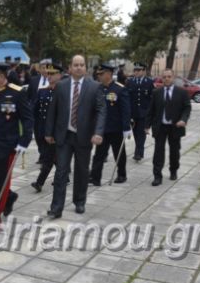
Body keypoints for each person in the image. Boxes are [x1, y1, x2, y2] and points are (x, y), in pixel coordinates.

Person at [44, 55, 105, 218]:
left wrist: (98, 132)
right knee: (61, 172)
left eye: (82, 65)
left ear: (86, 68)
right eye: (76, 65)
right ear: (70, 68)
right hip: (64, 136)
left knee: (82, 171)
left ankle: (79, 201)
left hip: (84, 136)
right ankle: (56, 208)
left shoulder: (95, 87)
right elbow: (53, 110)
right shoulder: (61, 86)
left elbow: (101, 110)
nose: (79, 67)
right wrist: (48, 132)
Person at [0, 61, 33, 229]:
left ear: (1, 76)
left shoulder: (17, 93)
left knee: (0, 182)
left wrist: (24, 142)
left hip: (7, 145)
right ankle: (9, 197)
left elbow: (28, 119)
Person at [145, 69, 191, 186]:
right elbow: (151, 110)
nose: (166, 79)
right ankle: (157, 176)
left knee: (174, 151)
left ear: (173, 77)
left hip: (175, 126)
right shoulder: (157, 92)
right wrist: (147, 126)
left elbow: (187, 108)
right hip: (160, 126)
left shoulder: (182, 92)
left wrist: (183, 119)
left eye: (169, 76)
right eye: (164, 77)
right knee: (158, 151)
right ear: (161, 77)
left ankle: (173, 170)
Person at [89, 64, 132, 185]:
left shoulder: (119, 89)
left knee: (119, 153)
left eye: (101, 74)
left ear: (108, 74)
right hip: (102, 129)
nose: (99, 76)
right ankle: (95, 177)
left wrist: (126, 128)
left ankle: (122, 174)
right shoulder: (99, 88)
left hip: (116, 128)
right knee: (99, 154)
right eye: (98, 74)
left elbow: (126, 110)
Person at [31, 64, 62, 192]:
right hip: (41, 128)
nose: (49, 76)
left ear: (59, 75)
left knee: (48, 157)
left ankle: (39, 182)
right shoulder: (42, 91)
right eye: (47, 74)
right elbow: (35, 110)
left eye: (52, 74)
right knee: (50, 156)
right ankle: (63, 176)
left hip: (56, 130)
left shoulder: (63, 92)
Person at [125, 63, 153, 161]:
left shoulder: (149, 82)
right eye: (135, 70)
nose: (136, 72)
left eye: (139, 70)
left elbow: (151, 98)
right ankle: (139, 150)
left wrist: (150, 112)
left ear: (144, 71)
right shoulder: (130, 82)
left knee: (141, 133)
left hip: (144, 113)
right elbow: (126, 97)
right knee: (135, 133)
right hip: (133, 113)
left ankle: (138, 153)